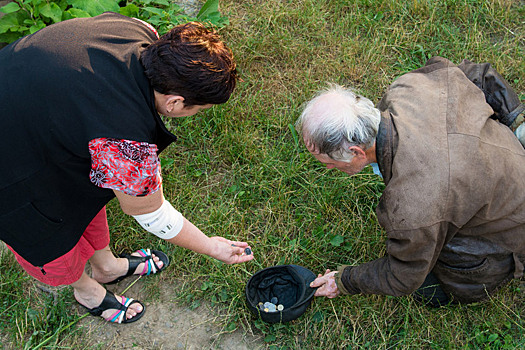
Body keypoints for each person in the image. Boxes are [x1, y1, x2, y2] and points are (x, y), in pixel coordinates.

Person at [0, 12, 253, 324]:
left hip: (24, 106)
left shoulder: (136, 30)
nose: (198, 114)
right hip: (9, 169)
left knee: (84, 198)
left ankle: (107, 267)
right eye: (199, 109)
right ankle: (86, 290)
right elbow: (151, 213)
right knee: (48, 235)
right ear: (174, 103)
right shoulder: (124, 144)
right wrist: (210, 246)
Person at [296, 56, 525, 306]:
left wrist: (344, 280)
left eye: (329, 163)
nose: (329, 168)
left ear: (356, 153)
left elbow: (403, 275)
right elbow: (479, 74)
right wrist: (517, 125)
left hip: (510, 233)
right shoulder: (408, 87)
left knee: (428, 289)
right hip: (507, 169)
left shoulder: (413, 205)